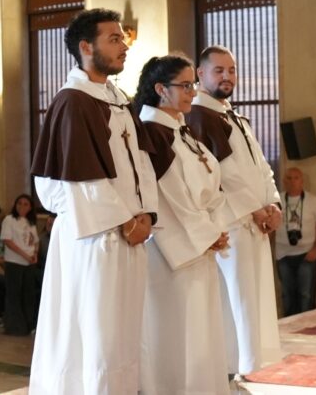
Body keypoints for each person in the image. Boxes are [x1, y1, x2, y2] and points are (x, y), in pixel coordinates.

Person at [29, 8, 159, 395]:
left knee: (123, 336)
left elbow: (142, 162)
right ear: (86, 47)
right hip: (94, 236)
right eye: (114, 39)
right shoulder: (74, 102)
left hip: (129, 234)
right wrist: (125, 221)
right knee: (96, 335)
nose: (124, 46)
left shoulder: (117, 100)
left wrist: (146, 215)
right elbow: (77, 177)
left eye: (123, 38)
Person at [134, 55, 231, 394]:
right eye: (186, 85)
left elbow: (214, 187)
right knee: (174, 333)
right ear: (161, 89)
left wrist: (216, 228)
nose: (193, 91)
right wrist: (207, 233)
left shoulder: (180, 130)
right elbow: (168, 198)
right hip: (171, 253)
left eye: (193, 84)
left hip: (200, 243)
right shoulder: (153, 133)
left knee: (201, 331)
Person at [187, 45, 283, 375]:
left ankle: (253, 366)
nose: (227, 76)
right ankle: (236, 368)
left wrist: (274, 204)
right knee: (236, 301)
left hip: (255, 222)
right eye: (219, 70)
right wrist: (256, 209)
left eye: (232, 70)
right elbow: (222, 174)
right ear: (200, 74)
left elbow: (261, 167)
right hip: (231, 223)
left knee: (254, 299)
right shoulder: (199, 115)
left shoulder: (233, 116)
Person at [275, 168, 316, 316]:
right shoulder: (277, 201)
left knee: (306, 295)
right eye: (289, 178)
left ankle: (306, 327)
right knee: (287, 295)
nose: (292, 181)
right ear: (284, 181)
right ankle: (290, 326)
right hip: (283, 255)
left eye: (296, 178)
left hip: (307, 255)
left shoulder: (313, 200)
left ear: (302, 181)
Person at [0, 195, 39, 336]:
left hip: (29, 263)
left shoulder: (30, 222)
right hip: (15, 261)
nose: (22, 206)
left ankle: (28, 324)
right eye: (19, 203)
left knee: (28, 294)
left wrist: (34, 254)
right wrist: (25, 255)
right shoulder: (9, 219)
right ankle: (15, 326)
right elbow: (8, 241)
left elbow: (35, 241)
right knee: (14, 294)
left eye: (26, 204)